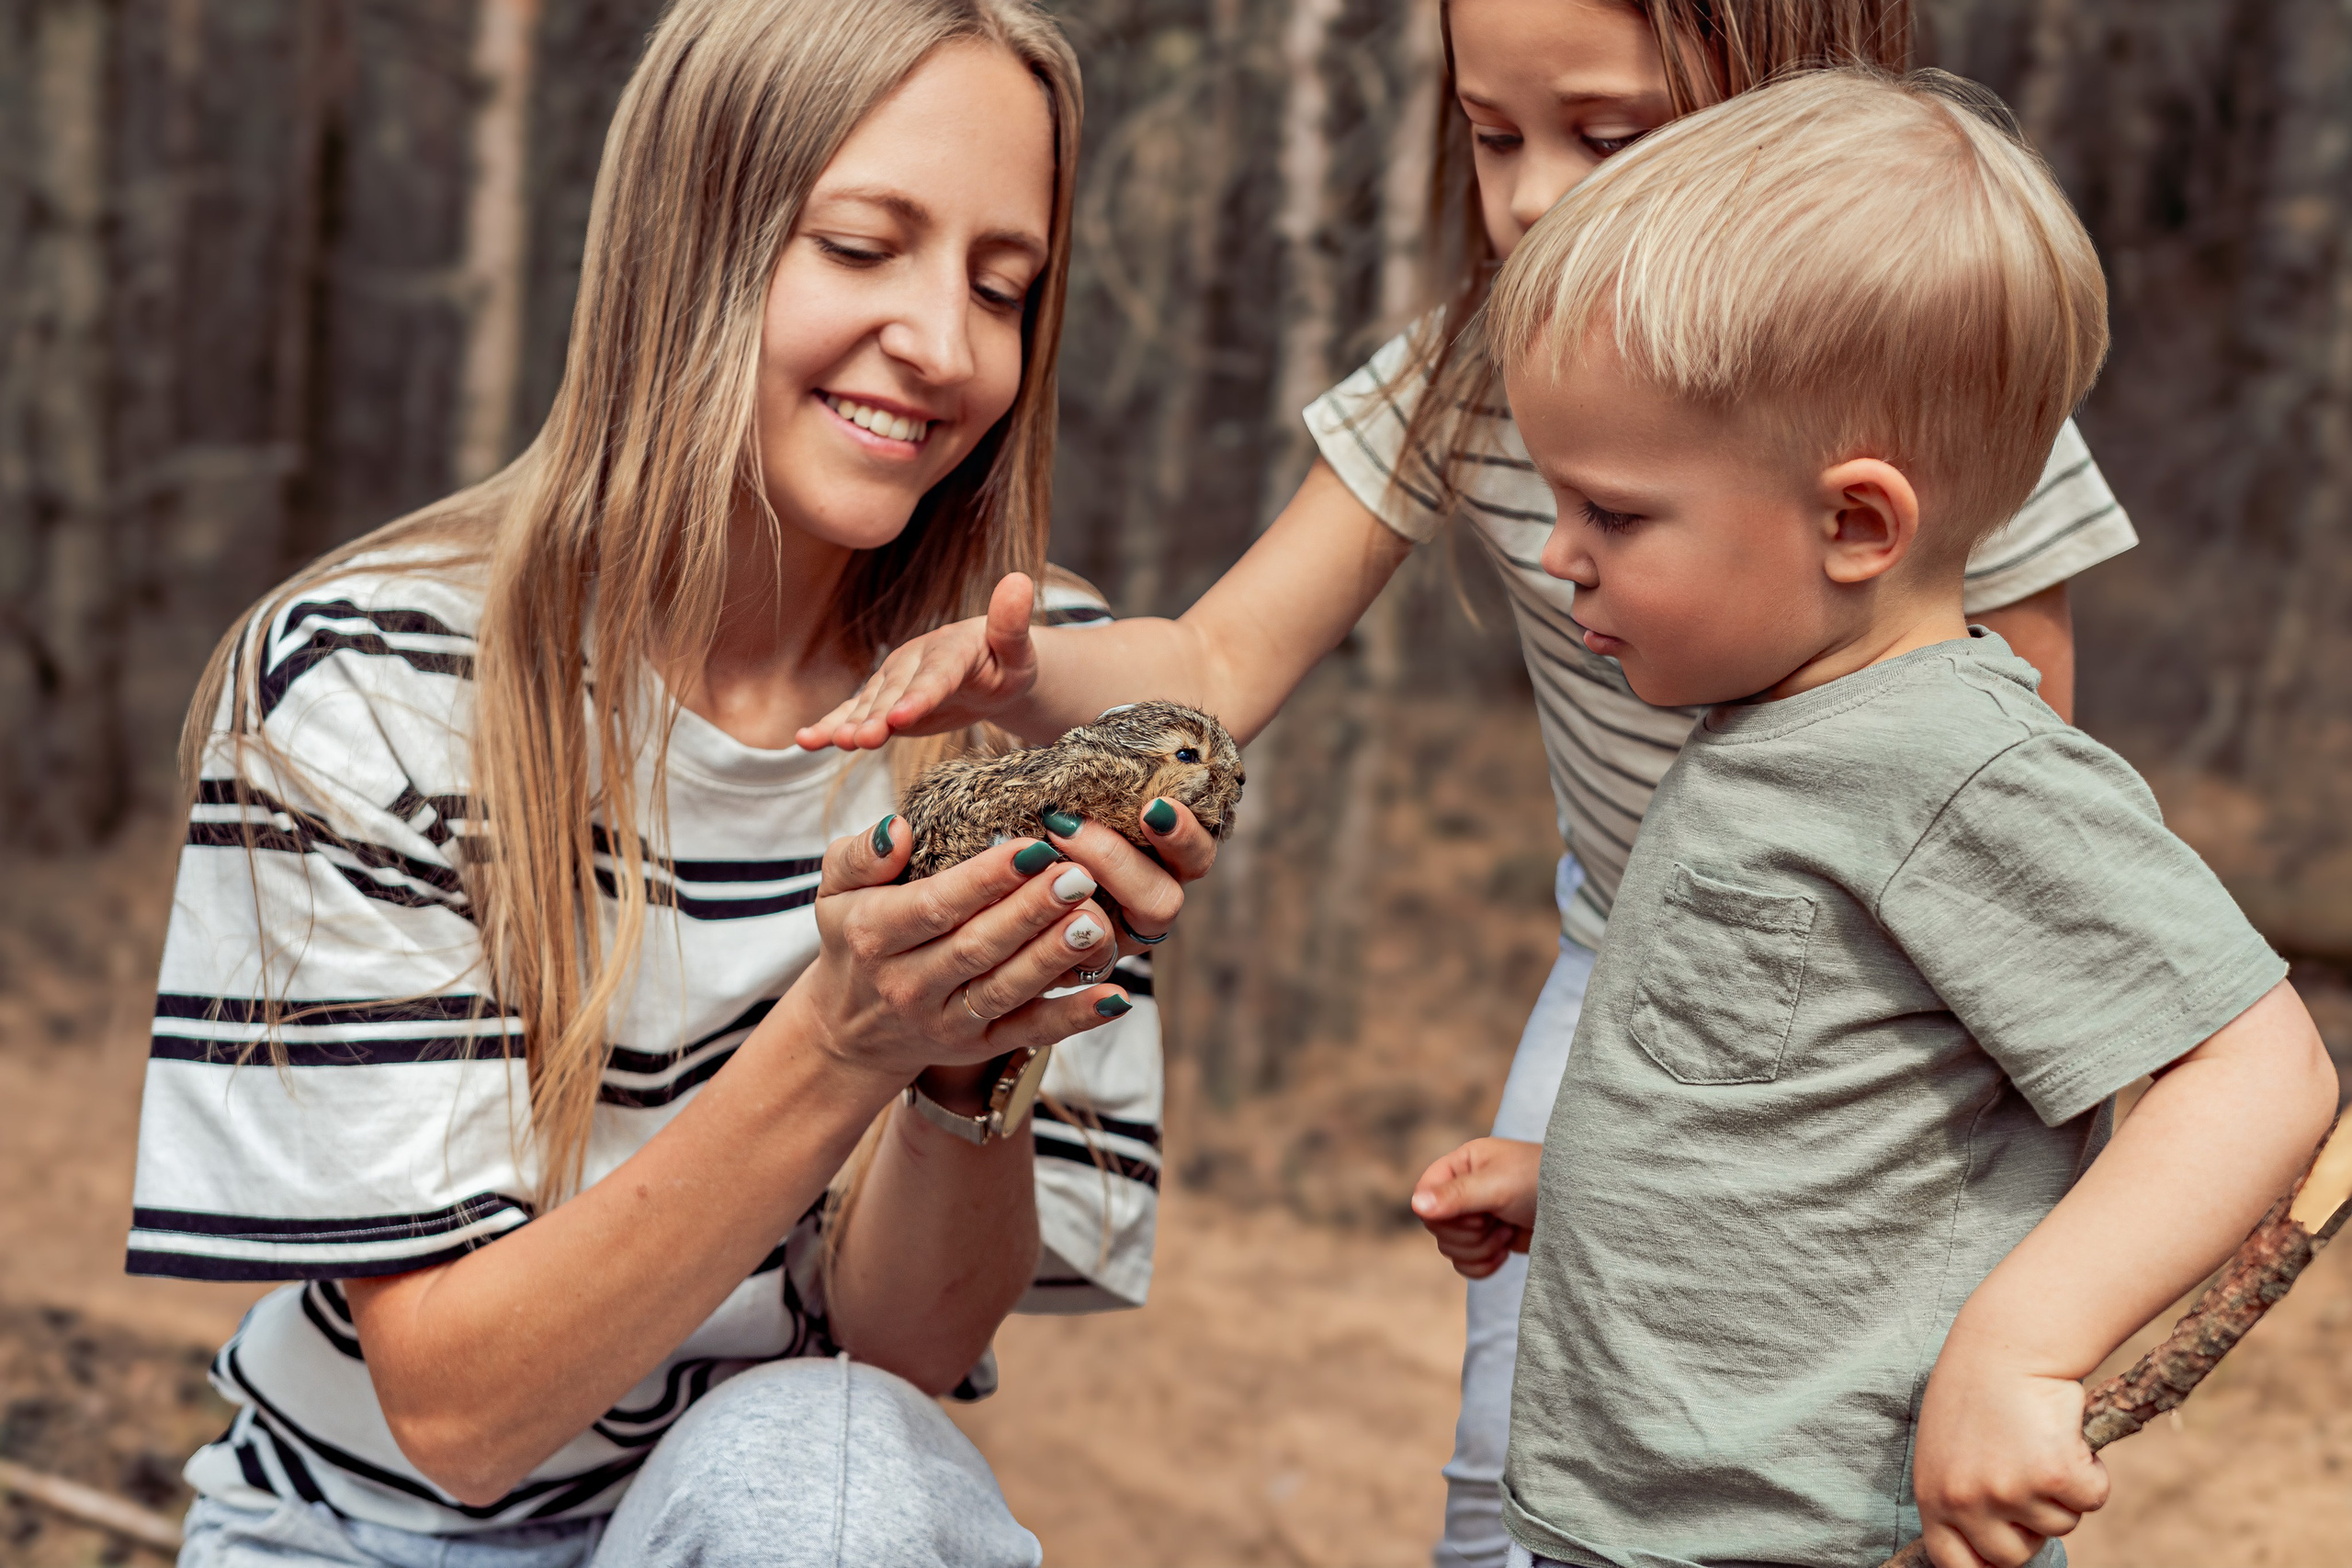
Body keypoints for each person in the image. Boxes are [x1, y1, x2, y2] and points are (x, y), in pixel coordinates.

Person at [796, 4, 2137, 1562]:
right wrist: (1032, 677)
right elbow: (1223, 663)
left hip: (1888, 1009)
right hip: (1627, 967)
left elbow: (2020, 816)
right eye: (1492, 136)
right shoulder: (1469, 375)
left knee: (1860, 1459)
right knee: (1523, 1471)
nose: (1526, 197)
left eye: (1607, 136)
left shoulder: (1940, 398)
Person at [126, 3, 1219, 1563]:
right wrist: (849, 1037)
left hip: (757, 1515)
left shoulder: (1041, 695)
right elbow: (459, 1415)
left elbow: (901, 1361)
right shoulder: (366, 681)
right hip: (370, 1534)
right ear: (686, 241)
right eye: (860, 245)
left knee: (832, 1450)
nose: (949, 346)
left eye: (1005, 286)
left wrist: (970, 1064)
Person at [1407, 67, 2337, 1568]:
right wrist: (1591, 1183)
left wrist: (2022, 1352)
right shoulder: (1768, 727)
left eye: (1617, 515)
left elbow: (2257, 1064)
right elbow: (1819, 1098)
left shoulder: (1957, 766)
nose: (1558, 553)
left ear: (1856, 523)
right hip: (1633, 1524)